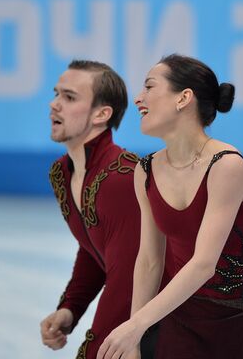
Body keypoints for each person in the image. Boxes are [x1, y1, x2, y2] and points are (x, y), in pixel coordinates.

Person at [97, 54, 243, 359]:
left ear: (184, 98)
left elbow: (204, 264)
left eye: (149, 87)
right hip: (184, 318)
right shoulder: (146, 170)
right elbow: (150, 260)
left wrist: (137, 325)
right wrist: (135, 337)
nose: (138, 99)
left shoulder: (226, 166)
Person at [40, 60, 164, 359]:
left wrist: (95, 348)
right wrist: (71, 307)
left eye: (69, 98)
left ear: (101, 114)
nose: (54, 104)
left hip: (174, 318)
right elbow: (95, 247)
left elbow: (130, 275)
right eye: (56, 94)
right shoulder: (62, 172)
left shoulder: (122, 177)